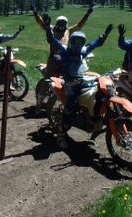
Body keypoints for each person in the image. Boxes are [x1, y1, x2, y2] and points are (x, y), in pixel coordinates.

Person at [45, 21, 113, 149]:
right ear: (70, 41)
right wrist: (48, 28)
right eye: (75, 41)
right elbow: (52, 40)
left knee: (98, 94)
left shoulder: (83, 52)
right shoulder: (64, 51)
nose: (77, 44)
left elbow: (95, 44)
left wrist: (105, 34)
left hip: (82, 81)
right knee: (70, 107)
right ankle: (61, 135)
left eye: (80, 42)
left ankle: (94, 118)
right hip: (70, 84)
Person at [31, 3, 95, 113]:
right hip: (53, 59)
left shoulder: (69, 31)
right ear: (57, 23)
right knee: (47, 80)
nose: (62, 25)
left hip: (66, 59)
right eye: (60, 23)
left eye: (64, 23)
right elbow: (41, 23)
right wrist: (35, 12)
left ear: (66, 24)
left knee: (74, 78)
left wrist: (88, 13)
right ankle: (39, 103)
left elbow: (79, 25)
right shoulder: (51, 29)